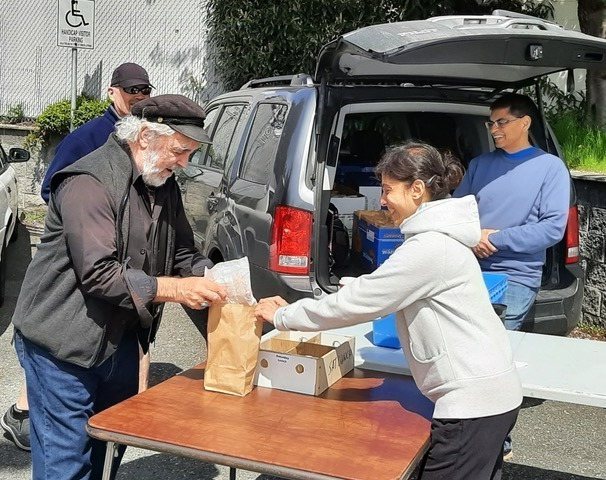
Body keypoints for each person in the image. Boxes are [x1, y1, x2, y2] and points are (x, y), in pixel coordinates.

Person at [255, 141, 523, 480]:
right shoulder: (436, 239)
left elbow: (362, 303)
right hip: (488, 394)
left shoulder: (430, 247)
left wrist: (283, 316)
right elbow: (388, 289)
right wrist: (359, 289)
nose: (381, 200)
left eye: (386, 190)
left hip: (473, 402)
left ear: (416, 189)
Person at [10, 94, 227, 479]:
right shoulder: (88, 181)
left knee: (107, 450)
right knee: (65, 464)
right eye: (180, 150)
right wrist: (176, 290)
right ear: (144, 136)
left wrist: (225, 284)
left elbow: (181, 252)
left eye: (190, 153)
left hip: (120, 341)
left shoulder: (162, 181)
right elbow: (99, 273)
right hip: (62, 345)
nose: (184, 163)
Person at [1, 62, 154, 453]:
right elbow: (54, 188)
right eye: (131, 89)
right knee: (61, 348)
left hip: (119, 289)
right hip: (81, 270)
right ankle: (23, 413)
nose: (139, 95)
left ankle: (37, 415)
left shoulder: (148, 143)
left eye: (145, 89)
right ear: (112, 91)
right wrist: (89, 226)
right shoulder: (85, 138)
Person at [453, 93, 570, 460]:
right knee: (460, 354)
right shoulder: (480, 164)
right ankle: (463, 436)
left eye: (502, 121)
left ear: (525, 123)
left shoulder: (549, 168)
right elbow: (459, 211)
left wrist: (496, 239)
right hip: (469, 269)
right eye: (492, 122)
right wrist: (473, 237)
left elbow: (552, 229)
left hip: (514, 276)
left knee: (492, 360)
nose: (494, 129)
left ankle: (495, 444)